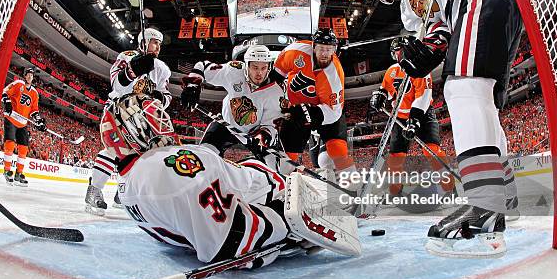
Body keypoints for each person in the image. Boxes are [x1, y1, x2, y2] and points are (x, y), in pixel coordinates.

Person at [364, 0, 521, 257]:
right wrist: (427, 50)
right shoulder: (410, 14)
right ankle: (504, 193)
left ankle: (485, 204)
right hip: (486, 2)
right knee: (483, 97)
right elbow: (439, 30)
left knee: (463, 89)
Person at [99, 94, 359, 266]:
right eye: (151, 118)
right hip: (271, 195)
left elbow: (206, 186)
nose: (163, 122)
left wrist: (210, 147)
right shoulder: (165, 168)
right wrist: (285, 219)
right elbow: (231, 240)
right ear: (129, 132)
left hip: (250, 183)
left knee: (257, 166)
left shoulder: (136, 178)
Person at [85, 27, 172, 216]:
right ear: (143, 42)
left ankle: (122, 194)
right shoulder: (127, 56)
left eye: (159, 43)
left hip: (142, 118)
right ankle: (94, 191)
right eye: (154, 42)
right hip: (118, 109)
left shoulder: (162, 69)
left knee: (140, 156)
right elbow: (116, 84)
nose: (157, 47)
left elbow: (166, 97)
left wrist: (159, 97)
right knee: (113, 148)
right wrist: (133, 70)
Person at [273, 28, 358, 185]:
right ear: (313, 46)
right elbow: (277, 74)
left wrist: (309, 114)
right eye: (321, 48)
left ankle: (354, 187)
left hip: (325, 110)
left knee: (337, 150)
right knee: (286, 155)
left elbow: (334, 113)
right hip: (295, 108)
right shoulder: (295, 51)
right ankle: (279, 185)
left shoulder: (334, 74)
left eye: (329, 49)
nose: (325, 53)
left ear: (335, 50)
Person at [369, 41, 455, 196]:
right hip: (399, 117)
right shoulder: (392, 71)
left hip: (422, 114)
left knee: (432, 150)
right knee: (396, 157)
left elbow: (423, 96)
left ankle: (449, 188)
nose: (401, 55)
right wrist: (380, 95)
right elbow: (388, 91)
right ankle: (395, 191)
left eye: (403, 51)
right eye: (397, 52)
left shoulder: (420, 69)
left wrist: (414, 120)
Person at [181, 45, 285, 163]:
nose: (259, 73)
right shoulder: (233, 70)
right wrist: (193, 84)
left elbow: (271, 125)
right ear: (246, 65)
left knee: (273, 171)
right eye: (255, 67)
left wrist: (262, 137)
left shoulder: (276, 93)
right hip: (226, 125)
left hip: (254, 134)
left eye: (263, 68)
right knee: (205, 157)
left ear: (269, 67)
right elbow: (203, 66)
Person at [1, 67, 47, 186]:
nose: (30, 77)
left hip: (23, 123)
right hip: (11, 118)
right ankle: (7, 171)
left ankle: (19, 173)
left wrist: (39, 121)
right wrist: (7, 102)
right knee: (10, 144)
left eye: (32, 75)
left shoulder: (34, 93)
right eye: (28, 74)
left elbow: (34, 111)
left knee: (24, 148)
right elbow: (4, 92)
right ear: (24, 75)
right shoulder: (17, 84)